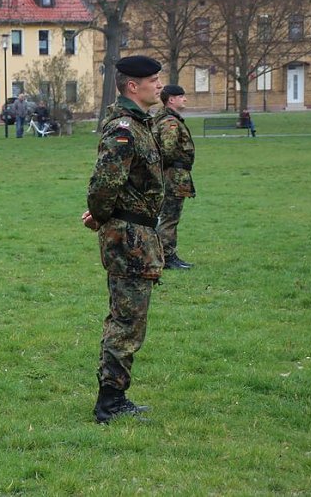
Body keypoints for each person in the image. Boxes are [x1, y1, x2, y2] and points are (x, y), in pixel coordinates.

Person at [81, 55, 165, 424]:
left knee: (129, 319)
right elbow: (104, 183)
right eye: (153, 80)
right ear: (133, 86)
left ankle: (114, 397)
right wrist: (100, 215)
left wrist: (102, 213)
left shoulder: (140, 124)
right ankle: (110, 403)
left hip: (137, 234)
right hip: (128, 239)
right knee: (127, 322)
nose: (159, 85)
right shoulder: (124, 129)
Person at [153, 85, 195, 270]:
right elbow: (167, 151)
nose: (184, 99)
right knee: (170, 217)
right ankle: (167, 257)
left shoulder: (168, 120)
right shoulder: (170, 122)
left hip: (174, 176)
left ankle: (164, 254)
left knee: (168, 216)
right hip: (173, 177)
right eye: (181, 96)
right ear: (171, 99)